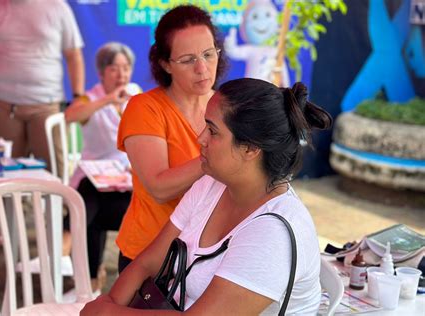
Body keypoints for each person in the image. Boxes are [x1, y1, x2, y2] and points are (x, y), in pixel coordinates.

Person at [81, 78, 333, 315]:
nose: (200, 139)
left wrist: (108, 311)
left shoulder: (273, 232)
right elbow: (148, 263)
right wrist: (110, 303)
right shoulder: (211, 185)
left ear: (251, 148)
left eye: (212, 131)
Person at [115, 4, 227, 272]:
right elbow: (158, 187)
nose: (202, 68)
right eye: (188, 60)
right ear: (165, 64)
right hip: (150, 257)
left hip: (206, 255)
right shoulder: (145, 108)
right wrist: (216, 155)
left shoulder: (227, 106)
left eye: (208, 54)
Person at [0, 0, 85, 176]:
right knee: (3, 174)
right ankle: (14, 205)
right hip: (0, 106)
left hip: (46, 106)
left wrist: (79, 97)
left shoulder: (58, 7)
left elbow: (74, 55)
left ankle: (55, 205)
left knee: (54, 172)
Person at [63, 42, 141, 295]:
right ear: (101, 73)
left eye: (126, 68)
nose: (121, 75)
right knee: (88, 201)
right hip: (94, 179)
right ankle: (89, 279)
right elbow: (70, 116)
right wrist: (109, 99)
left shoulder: (136, 94)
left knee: (87, 217)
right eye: (114, 69)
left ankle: (86, 277)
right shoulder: (91, 98)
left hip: (127, 182)